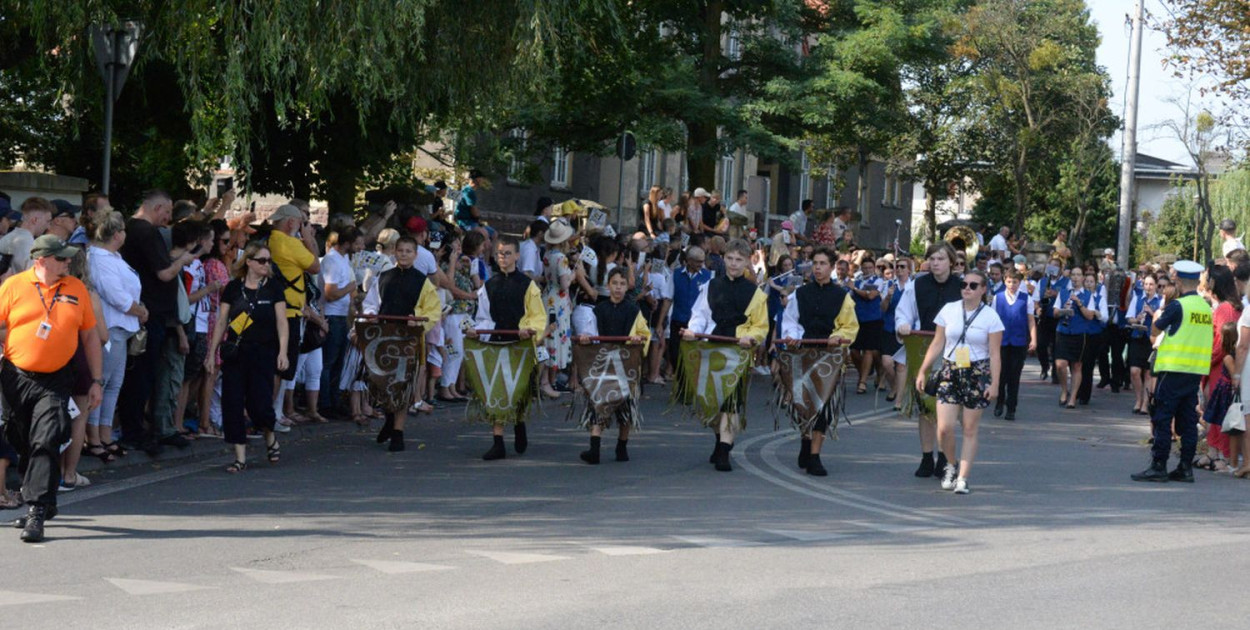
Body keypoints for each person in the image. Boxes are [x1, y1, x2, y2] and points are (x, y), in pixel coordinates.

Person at [1, 235, 103, 542]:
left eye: (68, 258)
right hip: (16, 376)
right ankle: (44, 500)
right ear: (41, 260)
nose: (68, 262)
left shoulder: (76, 288)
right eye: (62, 258)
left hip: (57, 378)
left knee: (47, 438)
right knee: (20, 440)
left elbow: (90, 338)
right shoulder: (14, 286)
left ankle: (36, 511)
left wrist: (96, 380)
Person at [118, 190, 196, 455]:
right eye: (167, 212)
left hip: (146, 312)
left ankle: (139, 427)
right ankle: (135, 431)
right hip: (150, 315)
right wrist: (182, 261)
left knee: (141, 374)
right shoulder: (147, 232)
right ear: (158, 207)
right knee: (143, 375)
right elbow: (163, 273)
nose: (169, 218)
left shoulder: (131, 229)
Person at [682, 238, 768, 472]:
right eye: (729, 258)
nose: (733, 264)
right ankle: (720, 439)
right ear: (724, 258)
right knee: (711, 400)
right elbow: (700, 314)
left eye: (739, 260)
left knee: (731, 402)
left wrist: (750, 338)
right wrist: (693, 330)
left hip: (738, 351)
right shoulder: (711, 286)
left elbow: (760, 325)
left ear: (747, 262)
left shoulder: (755, 294)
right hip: (712, 346)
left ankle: (723, 450)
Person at [915, 269, 1003, 495]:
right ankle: (950, 465)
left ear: (983, 290)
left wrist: (994, 384)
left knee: (969, 428)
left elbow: (994, 353)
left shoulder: (990, 316)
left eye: (973, 286)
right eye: (964, 284)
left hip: (977, 372)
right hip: (950, 369)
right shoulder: (949, 310)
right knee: (944, 428)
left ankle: (963, 477)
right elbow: (937, 343)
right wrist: (923, 370)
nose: (967, 288)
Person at [203, 241, 288, 473]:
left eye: (269, 261)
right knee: (232, 402)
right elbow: (222, 321)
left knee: (260, 404)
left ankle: (270, 436)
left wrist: (283, 351)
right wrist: (212, 353)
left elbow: (282, 322)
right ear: (248, 262)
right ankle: (240, 457)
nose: (266, 265)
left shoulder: (274, 288)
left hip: (263, 351)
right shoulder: (233, 288)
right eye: (261, 260)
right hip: (236, 352)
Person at [779, 246, 859, 476]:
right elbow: (791, 320)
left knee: (823, 406)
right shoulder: (800, 294)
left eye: (823, 263)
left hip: (829, 357)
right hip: (803, 353)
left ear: (832, 267)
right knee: (804, 402)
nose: (818, 267)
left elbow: (850, 326)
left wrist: (838, 338)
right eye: (815, 263)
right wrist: (792, 336)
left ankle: (815, 455)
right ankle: (805, 440)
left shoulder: (842, 296)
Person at [466, 236, 547, 460]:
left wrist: (528, 330)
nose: (503, 257)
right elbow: (483, 315)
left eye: (508, 253)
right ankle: (498, 441)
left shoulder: (527, 286)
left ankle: (519, 421)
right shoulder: (489, 285)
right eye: (500, 253)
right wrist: (478, 330)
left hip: (519, 345)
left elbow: (538, 317)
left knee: (518, 390)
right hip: (496, 343)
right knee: (497, 390)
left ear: (517, 256)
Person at [1132, 260, 1212, 483]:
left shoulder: (1178, 306)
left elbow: (1156, 328)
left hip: (1173, 368)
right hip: (1195, 371)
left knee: (1162, 417)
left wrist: (1158, 319)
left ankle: (1159, 465)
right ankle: (1185, 467)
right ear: (1197, 281)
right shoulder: (1205, 307)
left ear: (1177, 280)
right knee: (1187, 421)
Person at [361, 237, 443, 451]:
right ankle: (389, 419)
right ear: (394, 253)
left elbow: (433, 310)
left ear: (416, 255)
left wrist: (418, 318)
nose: (404, 254)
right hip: (383, 336)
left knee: (404, 385)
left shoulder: (423, 282)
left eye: (409, 251)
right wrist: (370, 316)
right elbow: (371, 303)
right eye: (401, 251)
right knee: (384, 384)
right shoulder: (384, 277)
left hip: (409, 338)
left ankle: (398, 432)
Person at [894, 241, 962, 479]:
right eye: (932, 259)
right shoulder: (917, 285)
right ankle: (926, 457)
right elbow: (904, 311)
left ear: (951, 262)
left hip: (956, 351)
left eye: (941, 259)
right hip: (925, 349)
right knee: (925, 406)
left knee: (949, 407)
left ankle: (944, 457)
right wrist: (902, 325)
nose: (935, 263)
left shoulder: (963, 285)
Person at [84, 210, 146, 460]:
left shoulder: (113, 256)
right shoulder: (99, 259)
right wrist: (140, 311)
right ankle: (94, 437)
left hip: (122, 327)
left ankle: (105, 434)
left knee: (114, 384)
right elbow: (116, 296)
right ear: (117, 234)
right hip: (109, 327)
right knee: (101, 383)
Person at [574, 267, 650, 464]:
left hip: (625, 365)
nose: (618, 288)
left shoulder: (634, 311)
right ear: (608, 285)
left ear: (627, 287)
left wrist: (638, 338)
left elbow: (644, 334)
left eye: (622, 284)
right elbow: (590, 332)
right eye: (615, 283)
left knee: (625, 408)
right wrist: (585, 337)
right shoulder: (599, 309)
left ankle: (622, 445)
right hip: (603, 364)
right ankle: (595, 448)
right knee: (597, 404)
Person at [267, 203, 321, 387]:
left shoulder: (272, 239)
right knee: (281, 368)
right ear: (291, 222)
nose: (303, 226)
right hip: (289, 313)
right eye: (301, 222)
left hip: (274, 308)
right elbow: (315, 267)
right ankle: (271, 413)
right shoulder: (290, 243)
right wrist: (307, 239)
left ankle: (271, 411)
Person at [317, 225, 359, 418]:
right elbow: (330, 293)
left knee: (338, 362)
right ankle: (325, 403)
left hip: (341, 315)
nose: (359, 247)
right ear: (347, 243)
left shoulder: (343, 259)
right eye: (355, 243)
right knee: (329, 362)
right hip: (333, 316)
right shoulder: (332, 261)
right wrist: (350, 287)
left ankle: (334, 400)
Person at [992, 269, 1036, 421]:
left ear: (1020, 283)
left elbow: (1031, 320)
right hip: (1001, 342)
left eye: (1015, 282)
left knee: (1014, 376)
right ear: (1005, 281)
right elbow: (992, 320)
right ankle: (999, 401)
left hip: (1018, 342)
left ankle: (1011, 408)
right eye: (1009, 281)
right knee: (1001, 374)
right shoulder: (998, 298)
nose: (1011, 285)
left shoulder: (1026, 299)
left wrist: (1033, 339)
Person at [541, 219, 575, 398]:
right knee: (554, 336)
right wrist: (573, 275)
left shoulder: (547, 254)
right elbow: (564, 284)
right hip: (559, 300)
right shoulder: (562, 258)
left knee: (550, 336)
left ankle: (549, 380)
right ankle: (547, 381)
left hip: (548, 296)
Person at [668, 247, 712, 373]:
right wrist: (661, 322)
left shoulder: (709, 276)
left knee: (694, 357)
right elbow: (668, 298)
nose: (701, 264)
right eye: (698, 261)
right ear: (689, 261)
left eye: (702, 261)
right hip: (678, 321)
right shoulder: (675, 274)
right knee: (675, 354)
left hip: (697, 325)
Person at [1125, 275, 1160, 415]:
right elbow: (1129, 318)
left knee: (1147, 373)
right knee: (1134, 371)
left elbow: (1162, 320)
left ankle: (1145, 403)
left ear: (1156, 286)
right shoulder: (1138, 298)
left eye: (1151, 284)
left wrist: (1152, 313)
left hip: (1151, 339)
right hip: (1137, 337)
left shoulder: (1160, 300)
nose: (1148, 287)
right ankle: (1138, 399)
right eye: (1146, 284)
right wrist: (1137, 319)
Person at [849, 256, 884, 394]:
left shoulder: (879, 280)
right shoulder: (857, 281)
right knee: (854, 351)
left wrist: (855, 289)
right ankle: (864, 372)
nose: (867, 270)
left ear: (874, 268)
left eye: (870, 267)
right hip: (858, 320)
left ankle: (862, 382)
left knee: (869, 350)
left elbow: (871, 295)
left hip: (874, 319)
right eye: (865, 268)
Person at [0, 197, 52, 278]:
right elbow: (35, 279)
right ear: (35, 220)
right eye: (47, 221)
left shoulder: (8, 238)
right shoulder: (27, 244)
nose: (49, 227)